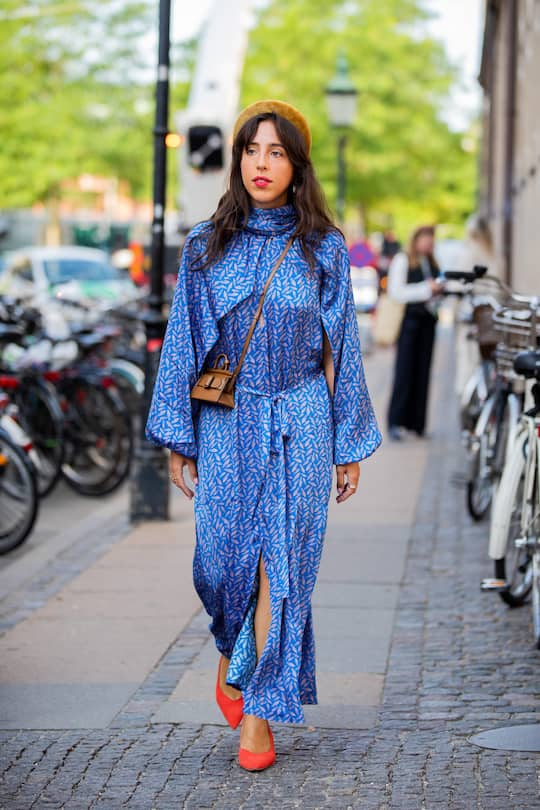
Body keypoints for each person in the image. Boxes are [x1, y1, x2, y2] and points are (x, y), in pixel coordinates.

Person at [145, 99, 381, 771]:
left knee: (285, 566)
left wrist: (345, 442)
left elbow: (341, 348)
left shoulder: (324, 248)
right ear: (238, 159)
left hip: (302, 417)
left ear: (297, 165)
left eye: (277, 151)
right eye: (252, 149)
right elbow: (184, 343)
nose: (262, 163)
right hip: (226, 420)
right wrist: (177, 436)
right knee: (221, 563)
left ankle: (259, 714)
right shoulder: (204, 244)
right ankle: (232, 648)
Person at [386, 225, 443, 440]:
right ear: (416, 239)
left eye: (431, 239)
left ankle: (417, 423)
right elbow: (396, 292)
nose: (429, 243)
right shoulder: (403, 260)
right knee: (404, 373)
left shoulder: (432, 263)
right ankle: (396, 421)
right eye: (426, 238)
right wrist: (426, 289)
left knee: (423, 372)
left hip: (428, 323)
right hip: (409, 323)